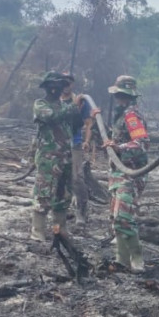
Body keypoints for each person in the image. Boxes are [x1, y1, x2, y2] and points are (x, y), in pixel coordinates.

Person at [95, 75, 150, 272]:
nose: (117, 99)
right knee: (116, 217)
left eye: (120, 95)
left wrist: (119, 147)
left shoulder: (131, 116)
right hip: (118, 172)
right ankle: (121, 259)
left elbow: (141, 144)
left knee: (123, 216)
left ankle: (137, 259)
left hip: (130, 173)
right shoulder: (120, 115)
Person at [31, 71, 82, 241]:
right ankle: (38, 231)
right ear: (47, 87)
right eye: (54, 86)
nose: (57, 89)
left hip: (65, 157)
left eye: (60, 86)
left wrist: (77, 111)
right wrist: (72, 107)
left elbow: (76, 126)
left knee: (63, 195)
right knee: (43, 193)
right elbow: (52, 117)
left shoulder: (65, 106)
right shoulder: (40, 104)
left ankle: (60, 229)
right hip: (48, 159)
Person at [60, 73, 94, 225]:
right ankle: (62, 209)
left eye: (68, 82)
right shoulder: (54, 101)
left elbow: (88, 123)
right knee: (59, 176)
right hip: (58, 145)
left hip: (75, 143)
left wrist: (86, 141)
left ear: (72, 84)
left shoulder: (81, 101)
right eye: (63, 82)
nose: (66, 85)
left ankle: (81, 210)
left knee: (77, 177)